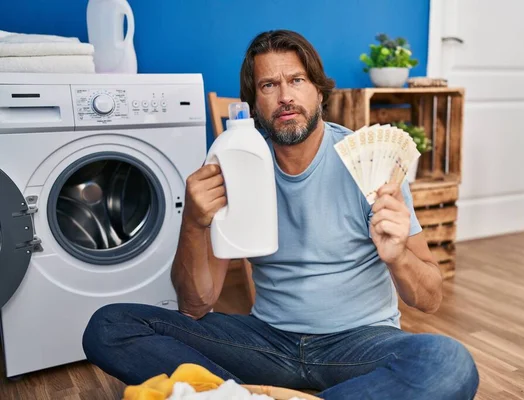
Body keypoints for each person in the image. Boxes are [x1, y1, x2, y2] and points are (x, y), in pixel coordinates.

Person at [82, 29, 479, 399]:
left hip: (358, 345)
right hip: (267, 343)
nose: (285, 96)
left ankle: (236, 396)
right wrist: (194, 222)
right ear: (254, 104)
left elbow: (429, 299)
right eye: (269, 85)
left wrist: (398, 257)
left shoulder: (369, 164)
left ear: (320, 92)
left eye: (297, 80)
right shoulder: (234, 166)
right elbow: (196, 306)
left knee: (449, 364)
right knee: (108, 326)